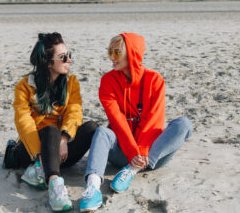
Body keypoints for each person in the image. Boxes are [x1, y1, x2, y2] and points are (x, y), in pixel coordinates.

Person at [79, 33, 193, 212]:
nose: (111, 57)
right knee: (102, 131)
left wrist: (140, 154)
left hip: (152, 154)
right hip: (122, 151)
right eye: (109, 51)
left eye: (117, 52)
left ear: (132, 54)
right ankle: (92, 187)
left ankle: (131, 171)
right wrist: (133, 151)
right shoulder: (107, 81)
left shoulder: (154, 80)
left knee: (184, 124)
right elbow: (117, 121)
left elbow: (153, 121)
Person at [12, 32, 98, 212]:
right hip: (32, 151)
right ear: (48, 62)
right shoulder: (25, 86)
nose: (69, 60)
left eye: (69, 55)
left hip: (59, 150)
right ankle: (54, 185)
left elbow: (74, 112)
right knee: (51, 130)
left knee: (91, 128)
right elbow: (24, 123)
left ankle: (47, 169)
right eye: (63, 57)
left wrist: (64, 139)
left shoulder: (71, 83)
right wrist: (39, 156)